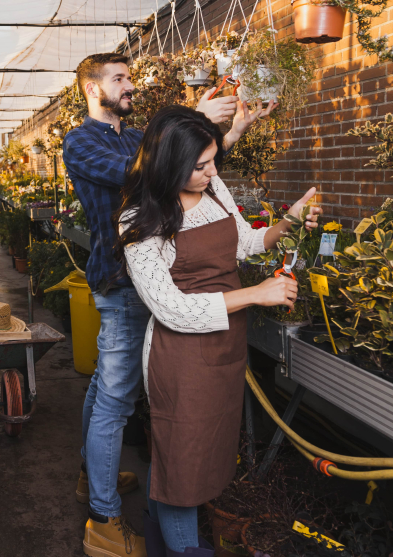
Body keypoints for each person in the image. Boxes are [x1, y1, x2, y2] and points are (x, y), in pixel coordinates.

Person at [62, 52, 275, 557]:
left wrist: (223, 130)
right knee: (117, 396)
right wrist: (193, 118)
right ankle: (104, 516)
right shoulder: (81, 141)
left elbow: (181, 161)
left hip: (150, 278)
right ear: (93, 89)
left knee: (107, 389)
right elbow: (156, 169)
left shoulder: (135, 137)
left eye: (130, 78)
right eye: (120, 79)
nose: (130, 86)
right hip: (121, 281)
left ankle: (93, 475)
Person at [114, 106, 321, 557]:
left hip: (223, 348)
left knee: (180, 457)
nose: (213, 171)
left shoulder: (212, 187)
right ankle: (184, 549)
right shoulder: (138, 221)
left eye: (213, 160)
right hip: (180, 359)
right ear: (168, 164)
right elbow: (171, 309)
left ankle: (156, 543)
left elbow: (245, 243)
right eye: (201, 164)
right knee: (182, 472)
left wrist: (289, 220)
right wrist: (255, 295)